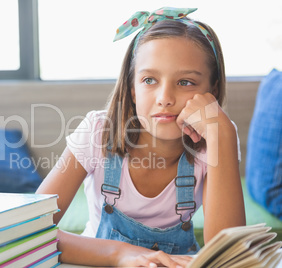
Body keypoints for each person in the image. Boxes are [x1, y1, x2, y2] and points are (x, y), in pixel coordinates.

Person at [36, 7, 246, 268]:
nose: (165, 98)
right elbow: (29, 233)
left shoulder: (215, 138)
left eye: (185, 82)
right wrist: (119, 253)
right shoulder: (97, 132)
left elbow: (227, 256)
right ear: (133, 90)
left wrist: (222, 134)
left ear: (211, 92)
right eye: (149, 80)